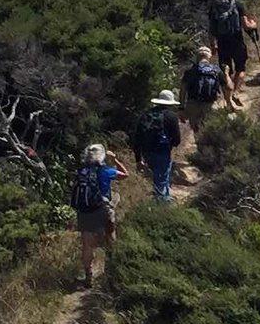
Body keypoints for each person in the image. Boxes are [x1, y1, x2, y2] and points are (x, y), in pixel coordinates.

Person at [70, 143, 120, 284]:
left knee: (87, 245)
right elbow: (125, 175)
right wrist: (115, 160)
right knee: (110, 236)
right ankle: (111, 271)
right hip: (103, 209)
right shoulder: (106, 171)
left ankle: (88, 276)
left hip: (85, 210)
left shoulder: (82, 172)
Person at [206, 0, 255, 107]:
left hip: (222, 43)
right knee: (241, 69)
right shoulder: (238, 5)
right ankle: (236, 92)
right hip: (237, 42)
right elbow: (246, 26)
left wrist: (213, 45)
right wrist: (254, 25)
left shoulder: (215, 7)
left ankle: (228, 103)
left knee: (225, 71)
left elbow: (211, 29)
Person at [132, 91, 183, 202]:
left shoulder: (146, 114)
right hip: (162, 152)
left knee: (154, 180)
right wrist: (169, 144)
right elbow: (177, 141)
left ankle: (160, 202)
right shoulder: (171, 117)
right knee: (161, 181)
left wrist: (138, 159)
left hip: (146, 152)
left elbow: (137, 137)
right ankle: (161, 209)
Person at [180, 43, 227, 129]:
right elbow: (226, 88)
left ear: (197, 57)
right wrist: (228, 102)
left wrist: (181, 108)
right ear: (209, 57)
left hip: (193, 104)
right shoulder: (216, 70)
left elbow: (183, 90)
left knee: (196, 130)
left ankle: (198, 142)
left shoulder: (190, 71)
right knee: (211, 131)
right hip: (210, 104)